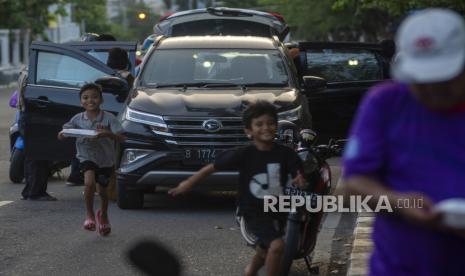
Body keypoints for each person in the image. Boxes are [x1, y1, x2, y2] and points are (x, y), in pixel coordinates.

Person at [343, 8, 465, 275]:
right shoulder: (385, 103)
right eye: (421, 80)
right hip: (398, 267)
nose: (432, 89)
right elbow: (354, 182)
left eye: (443, 79)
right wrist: (400, 202)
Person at [168, 101, 305, 276]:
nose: (266, 128)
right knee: (277, 246)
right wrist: (188, 183)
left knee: (265, 249)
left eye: (271, 123)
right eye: (259, 124)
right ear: (248, 131)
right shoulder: (244, 154)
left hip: (276, 208)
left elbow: (297, 169)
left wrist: (299, 177)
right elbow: (212, 167)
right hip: (252, 209)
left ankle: (251, 271)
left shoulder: (285, 153)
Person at [58, 83, 125, 235]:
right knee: (89, 183)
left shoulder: (109, 118)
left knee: (103, 191)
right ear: (81, 102)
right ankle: (89, 216)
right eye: (86, 98)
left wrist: (108, 134)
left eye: (94, 97)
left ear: (101, 100)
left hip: (105, 160)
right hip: (86, 156)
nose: (90, 100)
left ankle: (104, 215)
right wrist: (62, 134)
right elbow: (64, 132)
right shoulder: (77, 118)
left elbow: (121, 138)